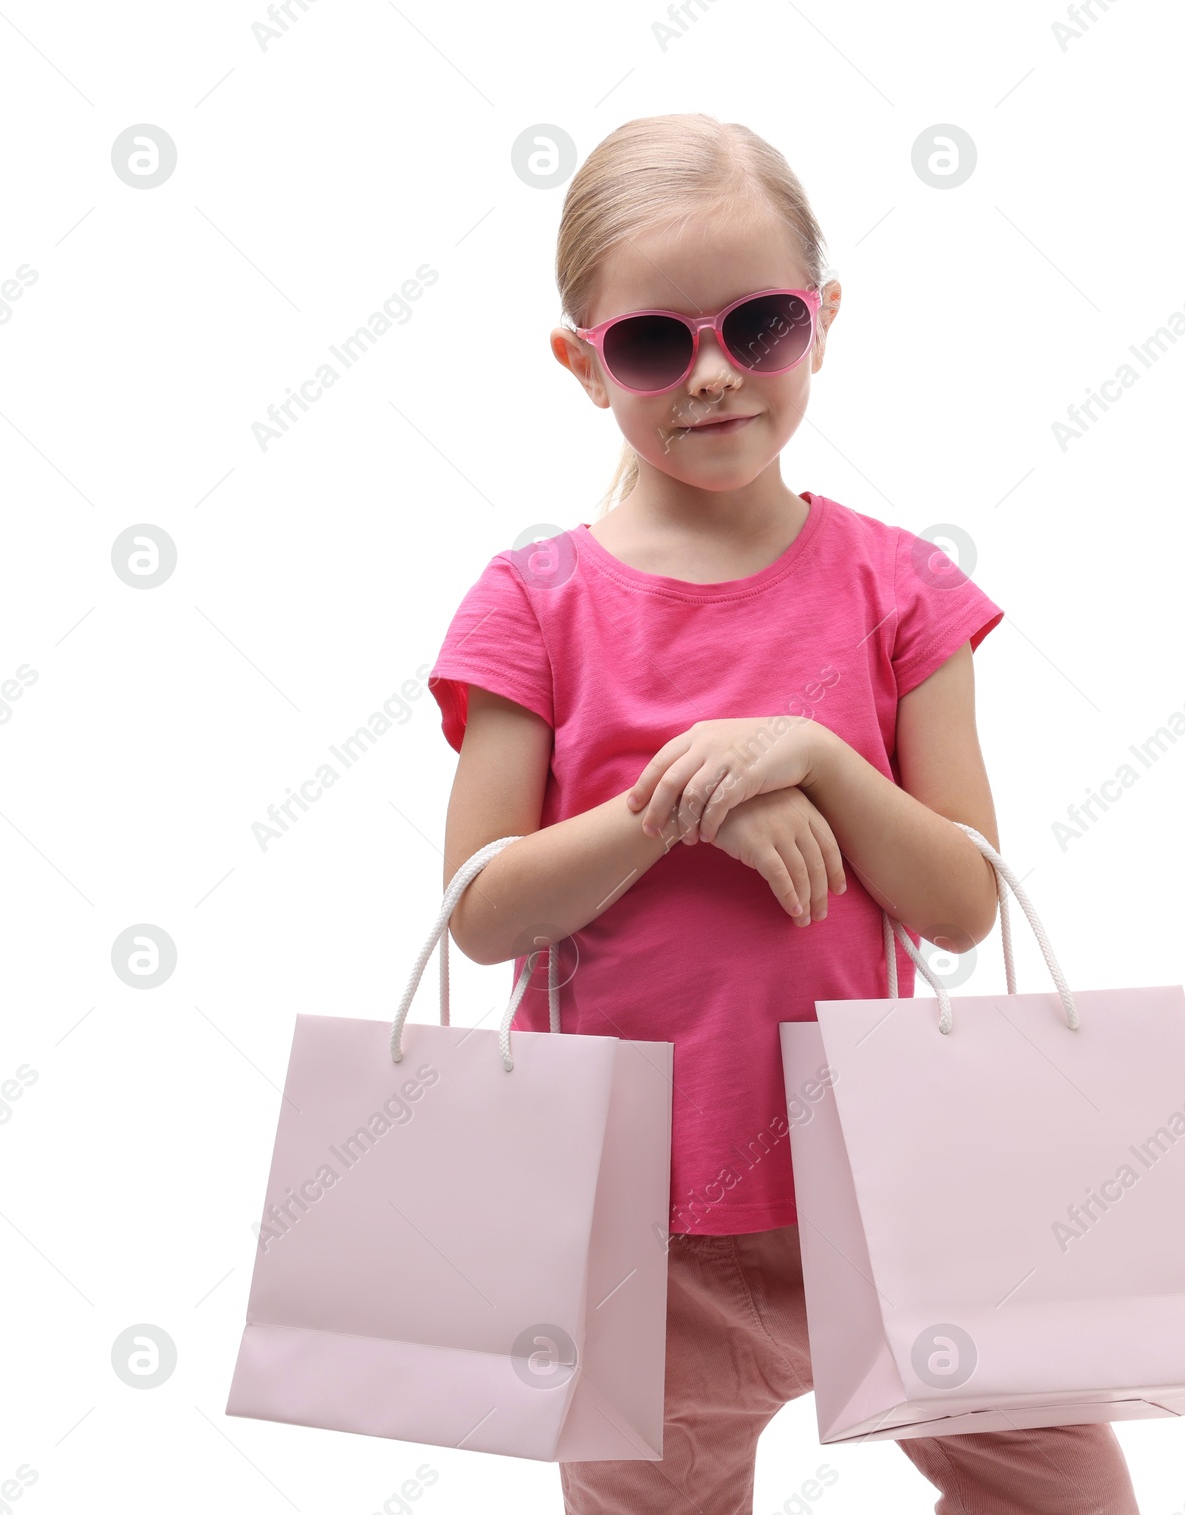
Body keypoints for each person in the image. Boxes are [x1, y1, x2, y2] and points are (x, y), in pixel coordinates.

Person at [427, 111, 1139, 1515]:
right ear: (581, 363)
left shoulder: (899, 590)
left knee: (1065, 1493)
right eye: (651, 344)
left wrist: (810, 751)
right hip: (636, 1225)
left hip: (890, 1187)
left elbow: (962, 899)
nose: (709, 376)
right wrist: (678, 806)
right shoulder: (535, 605)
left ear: (821, 322)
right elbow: (478, 913)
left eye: (759, 327)